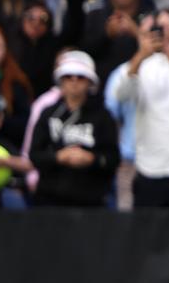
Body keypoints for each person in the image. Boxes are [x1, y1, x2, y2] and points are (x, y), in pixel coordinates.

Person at [114, 9, 169, 207]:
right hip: (153, 167)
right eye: (162, 27)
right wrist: (141, 55)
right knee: (151, 233)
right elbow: (121, 95)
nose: (167, 33)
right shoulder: (143, 65)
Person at [27, 51, 120, 206]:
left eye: (80, 77)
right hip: (49, 200)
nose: (74, 81)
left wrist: (92, 159)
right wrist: (59, 157)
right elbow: (34, 155)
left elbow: (113, 158)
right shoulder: (48, 113)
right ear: (60, 80)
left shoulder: (103, 116)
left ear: (90, 82)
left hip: (90, 203)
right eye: (68, 76)